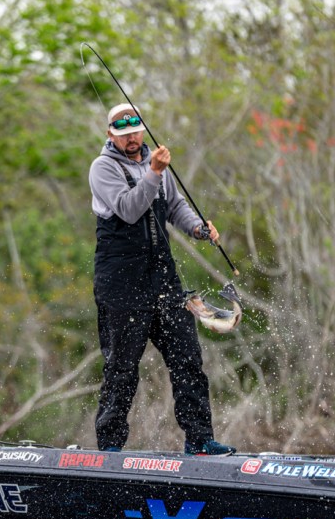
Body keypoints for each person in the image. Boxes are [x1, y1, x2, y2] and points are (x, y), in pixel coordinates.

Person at [89, 102, 235, 456]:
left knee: (188, 359)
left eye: (136, 132)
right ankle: (110, 447)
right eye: (124, 135)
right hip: (121, 282)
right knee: (122, 368)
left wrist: (199, 229)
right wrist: (154, 172)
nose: (132, 139)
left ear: (143, 129)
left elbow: (174, 207)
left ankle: (199, 439)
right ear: (110, 135)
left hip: (163, 279)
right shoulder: (102, 168)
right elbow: (128, 209)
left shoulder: (156, 165)